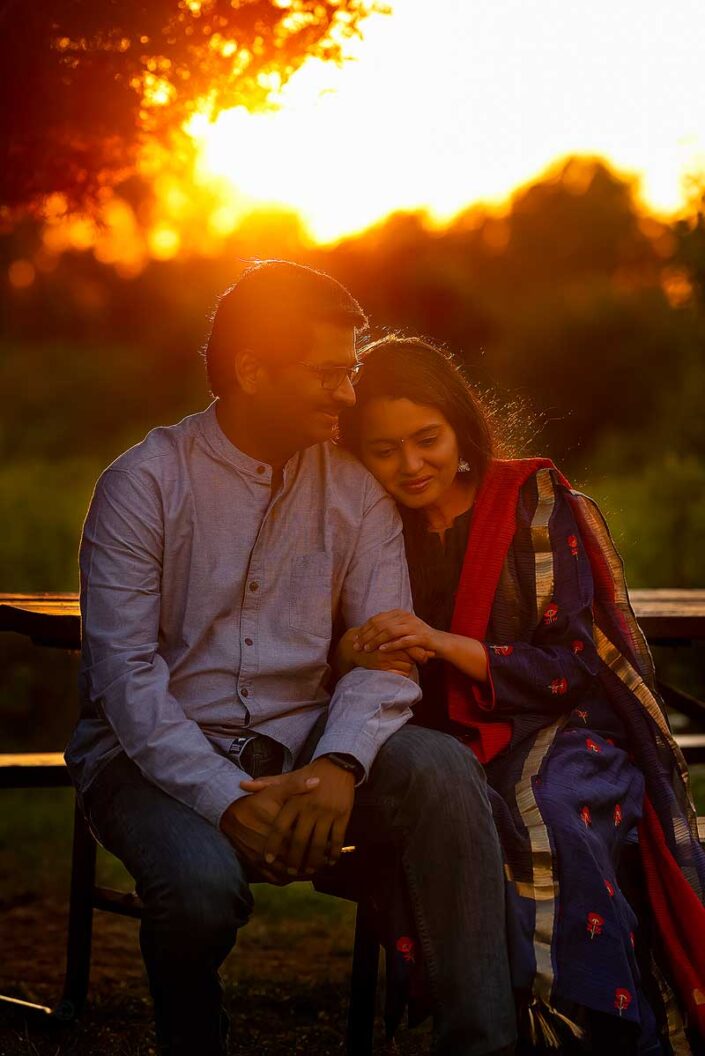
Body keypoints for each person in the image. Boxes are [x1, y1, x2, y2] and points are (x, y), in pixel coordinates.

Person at [65, 262, 516, 1056]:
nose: (348, 394)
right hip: (149, 754)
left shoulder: (356, 490)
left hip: (308, 742)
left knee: (442, 770)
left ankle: (481, 1046)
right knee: (201, 890)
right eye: (329, 373)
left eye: (349, 371)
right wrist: (223, 798)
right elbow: (125, 679)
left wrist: (341, 763)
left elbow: (384, 656)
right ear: (250, 368)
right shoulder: (142, 485)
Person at [337, 335, 705, 1055]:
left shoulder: (533, 504)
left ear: (458, 424)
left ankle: (575, 1029)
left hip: (563, 726)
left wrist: (448, 647)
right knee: (460, 817)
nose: (410, 466)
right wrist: (348, 653)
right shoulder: (360, 523)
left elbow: (575, 663)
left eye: (426, 439)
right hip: (433, 741)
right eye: (384, 450)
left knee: (547, 821)